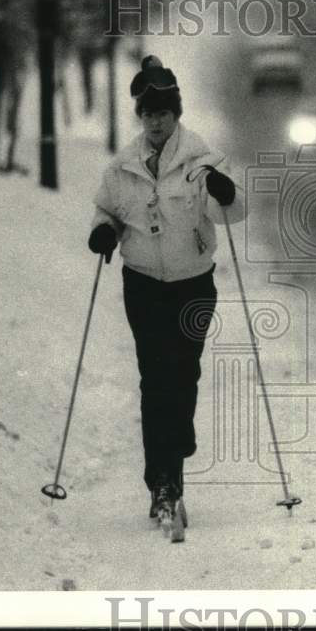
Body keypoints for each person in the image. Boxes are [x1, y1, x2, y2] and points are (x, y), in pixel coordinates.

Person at [87, 55, 244, 524]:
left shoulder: (202, 161)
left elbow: (231, 213)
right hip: (143, 284)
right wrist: (104, 231)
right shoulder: (122, 167)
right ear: (140, 117)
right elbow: (108, 210)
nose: (155, 123)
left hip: (193, 284)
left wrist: (226, 192)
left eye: (163, 114)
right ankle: (163, 480)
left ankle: (176, 445)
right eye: (148, 114)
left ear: (176, 114)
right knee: (155, 379)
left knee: (183, 372)